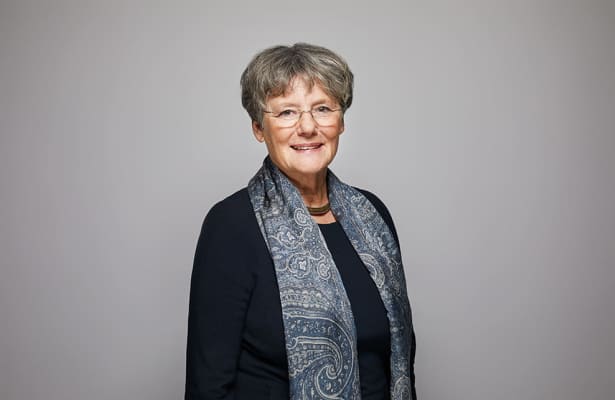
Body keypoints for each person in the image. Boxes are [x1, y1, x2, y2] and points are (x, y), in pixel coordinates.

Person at [185, 43, 416, 400]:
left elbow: (398, 359)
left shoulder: (372, 214)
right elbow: (208, 384)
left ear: (341, 121)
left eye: (322, 108)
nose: (307, 127)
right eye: (287, 112)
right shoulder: (231, 226)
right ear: (259, 127)